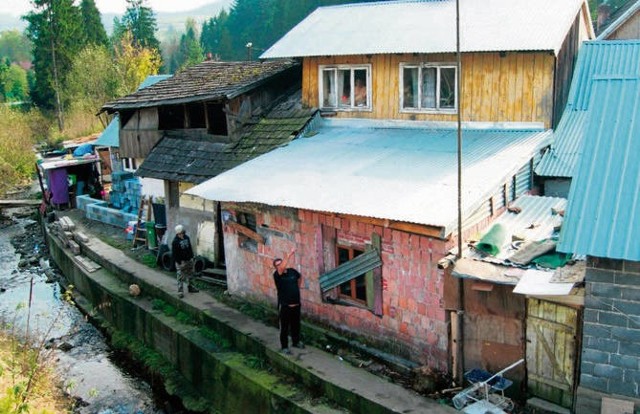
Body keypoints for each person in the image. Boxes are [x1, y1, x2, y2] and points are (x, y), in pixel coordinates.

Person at [273, 247, 304, 354]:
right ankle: (284, 346)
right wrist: (290, 254)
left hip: (296, 304)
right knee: (284, 327)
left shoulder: (292, 272)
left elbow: (299, 277)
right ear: (276, 267)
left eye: (281, 263)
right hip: (285, 306)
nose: (281, 266)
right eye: (278, 265)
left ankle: (296, 342)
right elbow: (281, 269)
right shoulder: (277, 275)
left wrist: (297, 288)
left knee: (296, 325)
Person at [172, 224, 198, 298]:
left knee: (191, 274)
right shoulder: (175, 242)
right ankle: (180, 291)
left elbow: (190, 248)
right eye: (181, 233)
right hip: (181, 262)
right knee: (180, 276)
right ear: (178, 233)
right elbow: (175, 254)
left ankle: (191, 287)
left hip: (189, 260)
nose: (183, 234)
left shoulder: (187, 238)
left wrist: (192, 257)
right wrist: (179, 262)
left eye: (183, 232)